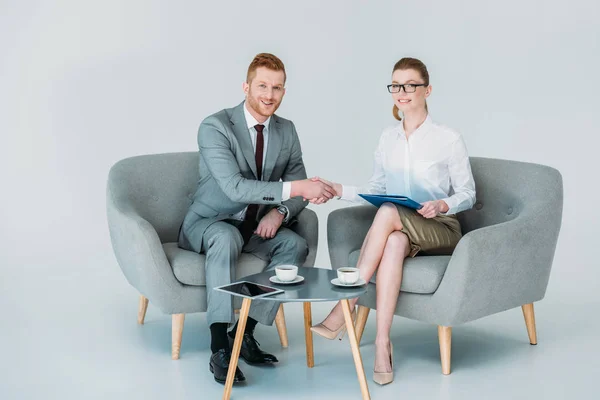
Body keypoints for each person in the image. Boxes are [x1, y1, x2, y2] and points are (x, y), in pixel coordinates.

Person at [310, 57, 476, 385]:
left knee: (387, 212)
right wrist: (337, 189)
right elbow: (375, 189)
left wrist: (443, 203)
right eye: (396, 85)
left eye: (411, 85)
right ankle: (383, 344)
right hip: (403, 228)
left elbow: (468, 193)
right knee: (394, 239)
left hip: (441, 228)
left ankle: (345, 304)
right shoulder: (388, 138)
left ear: (427, 89)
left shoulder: (448, 138)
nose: (402, 92)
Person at [178, 53, 335, 384]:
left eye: (277, 88)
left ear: (284, 91)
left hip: (256, 226)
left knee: (294, 245)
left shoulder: (286, 131)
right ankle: (219, 346)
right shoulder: (215, 126)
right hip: (210, 223)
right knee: (226, 237)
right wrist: (298, 187)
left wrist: (280, 213)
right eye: (262, 85)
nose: (269, 95)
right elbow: (235, 188)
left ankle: (243, 334)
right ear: (246, 86)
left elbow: (297, 194)